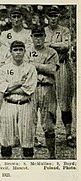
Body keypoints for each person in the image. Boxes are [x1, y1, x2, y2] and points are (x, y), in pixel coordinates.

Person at [0, 40, 38, 159]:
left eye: (21, 50)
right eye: (15, 50)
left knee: (27, 139)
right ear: (10, 52)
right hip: (8, 104)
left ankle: (27, 169)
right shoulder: (4, 69)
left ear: (25, 51)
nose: (18, 52)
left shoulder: (30, 68)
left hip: (25, 103)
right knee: (6, 139)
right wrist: (19, 84)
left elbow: (29, 89)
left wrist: (10, 88)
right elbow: (2, 88)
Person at [44, 6, 75, 148]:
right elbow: (39, 47)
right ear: (47, 17)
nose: (53, 18)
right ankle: (51, 134)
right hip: (48, 68)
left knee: (65, 101)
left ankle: (68, 133)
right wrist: (55, 46)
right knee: (49, 102)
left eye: (55, 15)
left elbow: (65, 47)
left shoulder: (64, 30)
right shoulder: (43, 31)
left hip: (62, 65)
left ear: (58, 17)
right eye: (50, 16)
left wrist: (49, 45)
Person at [27, 27, 59, 159]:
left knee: (49, 124)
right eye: (35, 36)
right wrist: (42, 67)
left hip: (47, 89)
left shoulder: (51, 52)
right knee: (29, 122)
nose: (38, 39)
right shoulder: (27, 51)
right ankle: (29, 157)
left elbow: (52, 69)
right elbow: (24, 69)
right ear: (32, 37)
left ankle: (52, 155)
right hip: (32, 89)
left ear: (45, 36)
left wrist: (34, 65)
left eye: (40, 36)